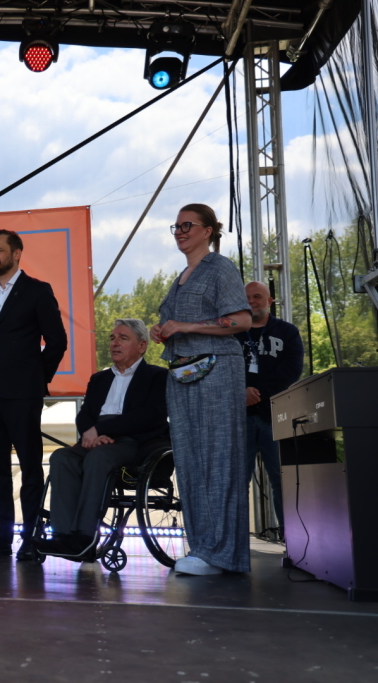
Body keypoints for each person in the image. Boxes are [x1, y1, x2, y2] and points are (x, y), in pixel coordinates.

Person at [150, 203, 252, 576]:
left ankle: (220, 554)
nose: (179, 231)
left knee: (217, 458)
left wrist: (187, 326)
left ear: (208, 230)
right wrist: (163, 330)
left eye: (187, 225)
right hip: (183, 373)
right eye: (176, 226)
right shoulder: (181, 276)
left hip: (217, 371)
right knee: (191, 461)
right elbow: (178, 325)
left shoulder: (219, 268)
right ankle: (203, 547)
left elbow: (242, 320)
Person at [0, 229, 68, 560]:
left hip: (23, 394)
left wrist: (35, 380)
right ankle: (0, 536)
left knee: (30, 468)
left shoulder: (37, 290)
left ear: (17, 253)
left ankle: (32, 537)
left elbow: (57, 341)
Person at [36, 319, 169, 560]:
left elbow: (150, 416)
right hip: (96, 439)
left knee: (98, 458)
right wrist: (92, 432)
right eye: (112, 338)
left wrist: (102, 429)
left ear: (142, 346)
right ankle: (62, 535)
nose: (115, 343)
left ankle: (84, 537)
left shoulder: (157, 376)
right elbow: (85, 414)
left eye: (123, 338)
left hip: (135, 442)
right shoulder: (99, 378)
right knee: (62, 457)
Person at [243, 280, 304, 535]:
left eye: (257, 296)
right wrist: (240, 392)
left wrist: (258, 394)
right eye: (247, 297)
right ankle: (234, 543)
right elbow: (221, 369)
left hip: (276, 416)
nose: (251, 301)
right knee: (237, 483)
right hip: (239, 419)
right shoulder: (232, 334)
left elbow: (292, 370)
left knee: (282, 480)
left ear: (269, 301)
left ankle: (293, 541)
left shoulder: (287, 332)